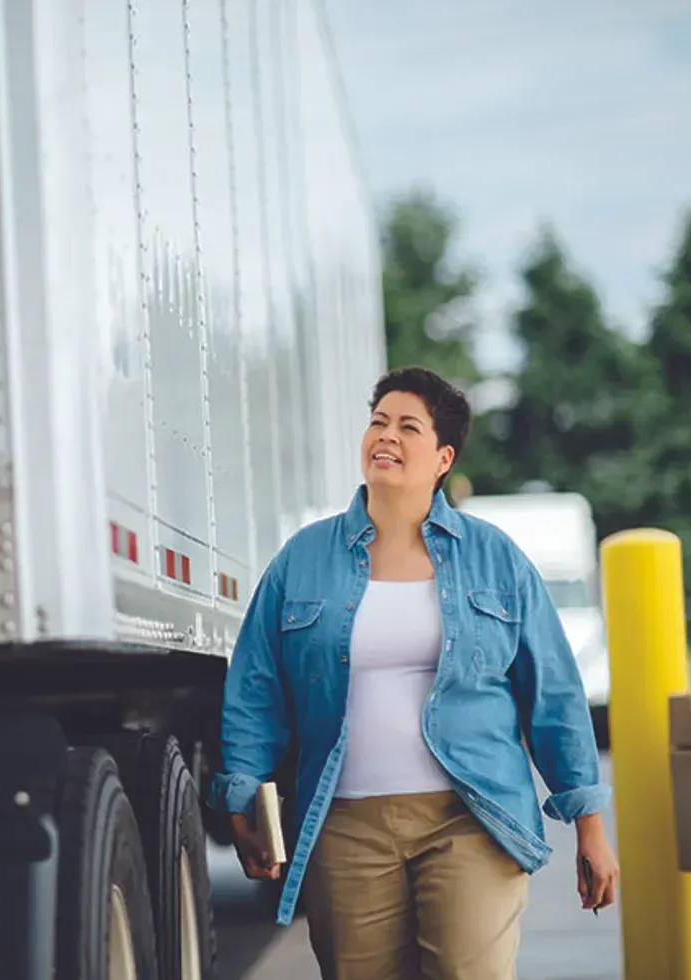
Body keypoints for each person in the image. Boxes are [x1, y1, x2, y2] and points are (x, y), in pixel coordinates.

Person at [208, 366, 619, 980]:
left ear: (443, 457)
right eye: (378, 422)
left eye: (407, 427)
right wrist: (242, 789)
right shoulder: (303, 559)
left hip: (473, 818)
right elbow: (256, 685)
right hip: (347, 825)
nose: (387, 437)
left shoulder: (495, 558)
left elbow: (553, 694)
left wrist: (589, 826)